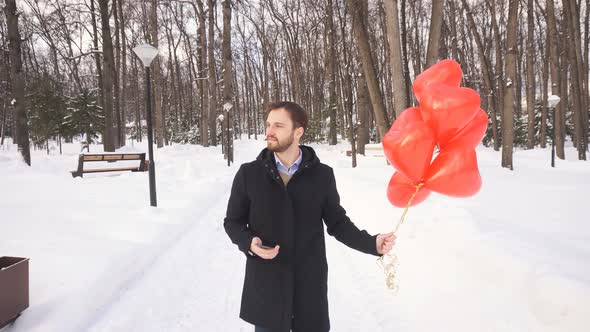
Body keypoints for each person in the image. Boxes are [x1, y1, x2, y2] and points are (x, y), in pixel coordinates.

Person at [224, 101, 395, 332]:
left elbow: (337, 223)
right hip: (267, 288)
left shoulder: (322, 175)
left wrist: (371, 242)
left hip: (309, 288)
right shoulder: (249, 174)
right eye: (268, 125)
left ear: (298, 131)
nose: (269, 132)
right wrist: (249, 243)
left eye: (278, 126)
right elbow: (232, 222)